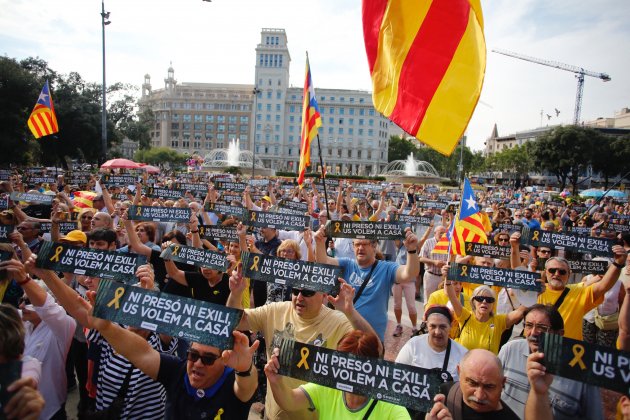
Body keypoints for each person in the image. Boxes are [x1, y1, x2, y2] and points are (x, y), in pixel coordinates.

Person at [227, 265, 379, 420]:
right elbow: (233, 321)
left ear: (324, 295)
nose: (299, 297)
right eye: (295, 291)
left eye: (307, 292)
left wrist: (350, 312)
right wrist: (236, 293)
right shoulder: (275, 310)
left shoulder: (338, 322)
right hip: (272, 415)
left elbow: (376, 351)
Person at [82, 301, 258, 420]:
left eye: (208, 359)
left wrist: (244, 368)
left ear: (225, 361)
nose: (197, 363)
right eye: (193, 355)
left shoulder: (231, 383)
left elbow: (246, 387)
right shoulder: (178, 371)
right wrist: (106, 328)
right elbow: (141, 352)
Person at [265, 330, 411, 419]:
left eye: (357, 367)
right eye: (343, 364)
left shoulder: (391, 406)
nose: (349, 373)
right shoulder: (329, 385)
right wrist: (275, 381)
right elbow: (289, 401)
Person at [314, 225, 420, 342]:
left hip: (372, 339)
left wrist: (411, 250)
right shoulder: (347, 264)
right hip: (346, 335)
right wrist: (319, 243)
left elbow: (410, 273)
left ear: (374, 246)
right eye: (357, 244)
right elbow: (324, 262)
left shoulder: (386, 268)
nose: (360, 248)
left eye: (364, 244)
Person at [1, 259, 76, 420]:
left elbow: (48, 309)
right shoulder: (20, 322)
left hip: (50, 406)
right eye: (21, 300)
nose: (22, 306)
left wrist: (25, 280)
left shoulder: (63, 326)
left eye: (28, 301)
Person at [499, 304, 602, 419]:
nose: (533, 332)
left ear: (559, 334)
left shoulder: (582, 370)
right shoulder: (509, 350)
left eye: (542, 328)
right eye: (528, 325)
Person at [537, 246, 627, 340]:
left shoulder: (579, 291)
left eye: (562, 272)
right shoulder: (537, 289)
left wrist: (618, 264)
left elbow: (604, 286)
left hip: (568, 350)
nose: (556, 274)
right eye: (552, 270)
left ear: (569, 274)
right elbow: (520, 313)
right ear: (545, 272)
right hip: (536, 345)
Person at [444, 265, 526, 354]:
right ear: (473, 301)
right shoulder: (465, 316)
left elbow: (520, 312)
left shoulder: (499, 321)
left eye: (489, 300)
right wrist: (447, 279)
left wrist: (535, 294)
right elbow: (452, 296)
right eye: (480, 298)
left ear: (493, 304)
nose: (484, 302)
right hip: (464, 366)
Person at [438, 349, 519, 419]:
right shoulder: (444, 394)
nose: (479, 396)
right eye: (472, 383)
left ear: (502, 383)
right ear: (459, 372)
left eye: (489, 386)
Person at [396, 305, 468, 382]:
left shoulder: (462, 354)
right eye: (433, 326)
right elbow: (396, 373)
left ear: (451, 326)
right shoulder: (413, 345)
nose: (437, 332)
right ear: (427, 325)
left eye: (443, 327)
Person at [418, 226, 448, 301]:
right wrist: (434, 262)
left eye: (444, 233)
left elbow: (452, 259)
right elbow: (420, 258)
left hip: (443, 277)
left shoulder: (448, 243)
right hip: (431, 276)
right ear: (435, 233)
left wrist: (445, 263)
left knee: (441, 300)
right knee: (428, 300)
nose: (443, 235)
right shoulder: (428, 242)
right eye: (441, 233)